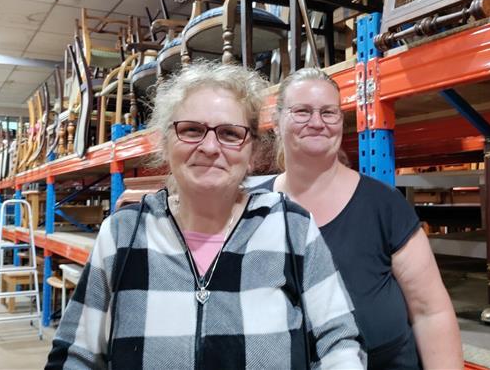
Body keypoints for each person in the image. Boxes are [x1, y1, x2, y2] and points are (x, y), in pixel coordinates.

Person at [47, 62, 364, 369]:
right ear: (165, 142)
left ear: (252, 151)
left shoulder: (291, 226)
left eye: (229, 133)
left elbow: (339, 343)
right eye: (192, 130)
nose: (210, 147)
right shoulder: (122, 235)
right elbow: (76, 356)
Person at [261, 68, 463, 369]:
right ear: (276, 123)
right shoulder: (255, 207)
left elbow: (430, 311)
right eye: (302, 111)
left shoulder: (383, 204)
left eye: (328, 112)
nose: (317, 123)